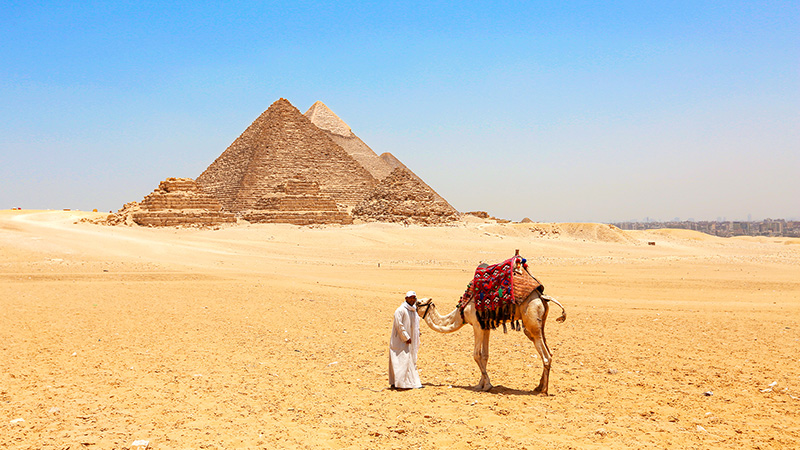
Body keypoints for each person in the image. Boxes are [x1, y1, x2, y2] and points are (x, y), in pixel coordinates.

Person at [388, 290, 423, 389]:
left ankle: (409, 383)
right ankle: (398, 383)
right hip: (399, 341)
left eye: (414, 298)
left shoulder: (413, 310)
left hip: (410, 340)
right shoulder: (400, 310)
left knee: (409, 360)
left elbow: (415, 324)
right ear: (406, 298)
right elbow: (399, 325)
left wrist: (416, 333)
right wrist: (406, 337)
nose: (412, 300)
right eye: (411, 297)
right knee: (400, 361)